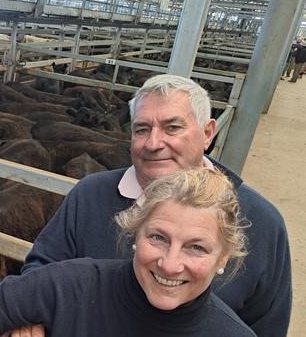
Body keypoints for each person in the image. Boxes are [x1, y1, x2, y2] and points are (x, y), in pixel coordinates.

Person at [15, 74, 291, 336]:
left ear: (208, 134)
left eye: (173, 127)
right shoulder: (90, 194)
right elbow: (42, 266)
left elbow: (267, 325)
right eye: (142, 129)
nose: (154, 143)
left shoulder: (260, 222)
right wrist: (33, 317)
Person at [0, 168, 255, 336]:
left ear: (223, 258)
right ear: (135, 233)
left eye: (196, 247)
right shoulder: (72, 285)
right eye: (158, 237)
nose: (170, 264)